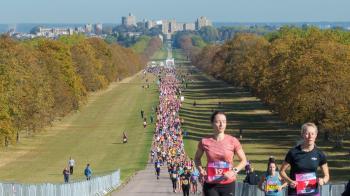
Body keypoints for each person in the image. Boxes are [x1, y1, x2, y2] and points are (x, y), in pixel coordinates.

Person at [194, 111, 247, 196]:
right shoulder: (204, 141)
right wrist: (200, 170)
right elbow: (197, 158)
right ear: (212, 123)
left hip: (228, 183)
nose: (221, 124)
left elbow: (244, 160)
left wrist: (233, 171)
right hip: (211, 184)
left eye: (224, 121)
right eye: (218, 121)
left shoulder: (233, 141)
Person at [280, 122, 330, 196]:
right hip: (295, 193)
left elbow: (327, 176)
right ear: (302, 134)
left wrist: (323, 181)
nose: (310, 136)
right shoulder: (293, 152)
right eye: (307, 133)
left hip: (313, 193)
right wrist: (290, 181)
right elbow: (282, 171)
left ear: (316, 135)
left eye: (312, 134)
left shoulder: (320, 154)